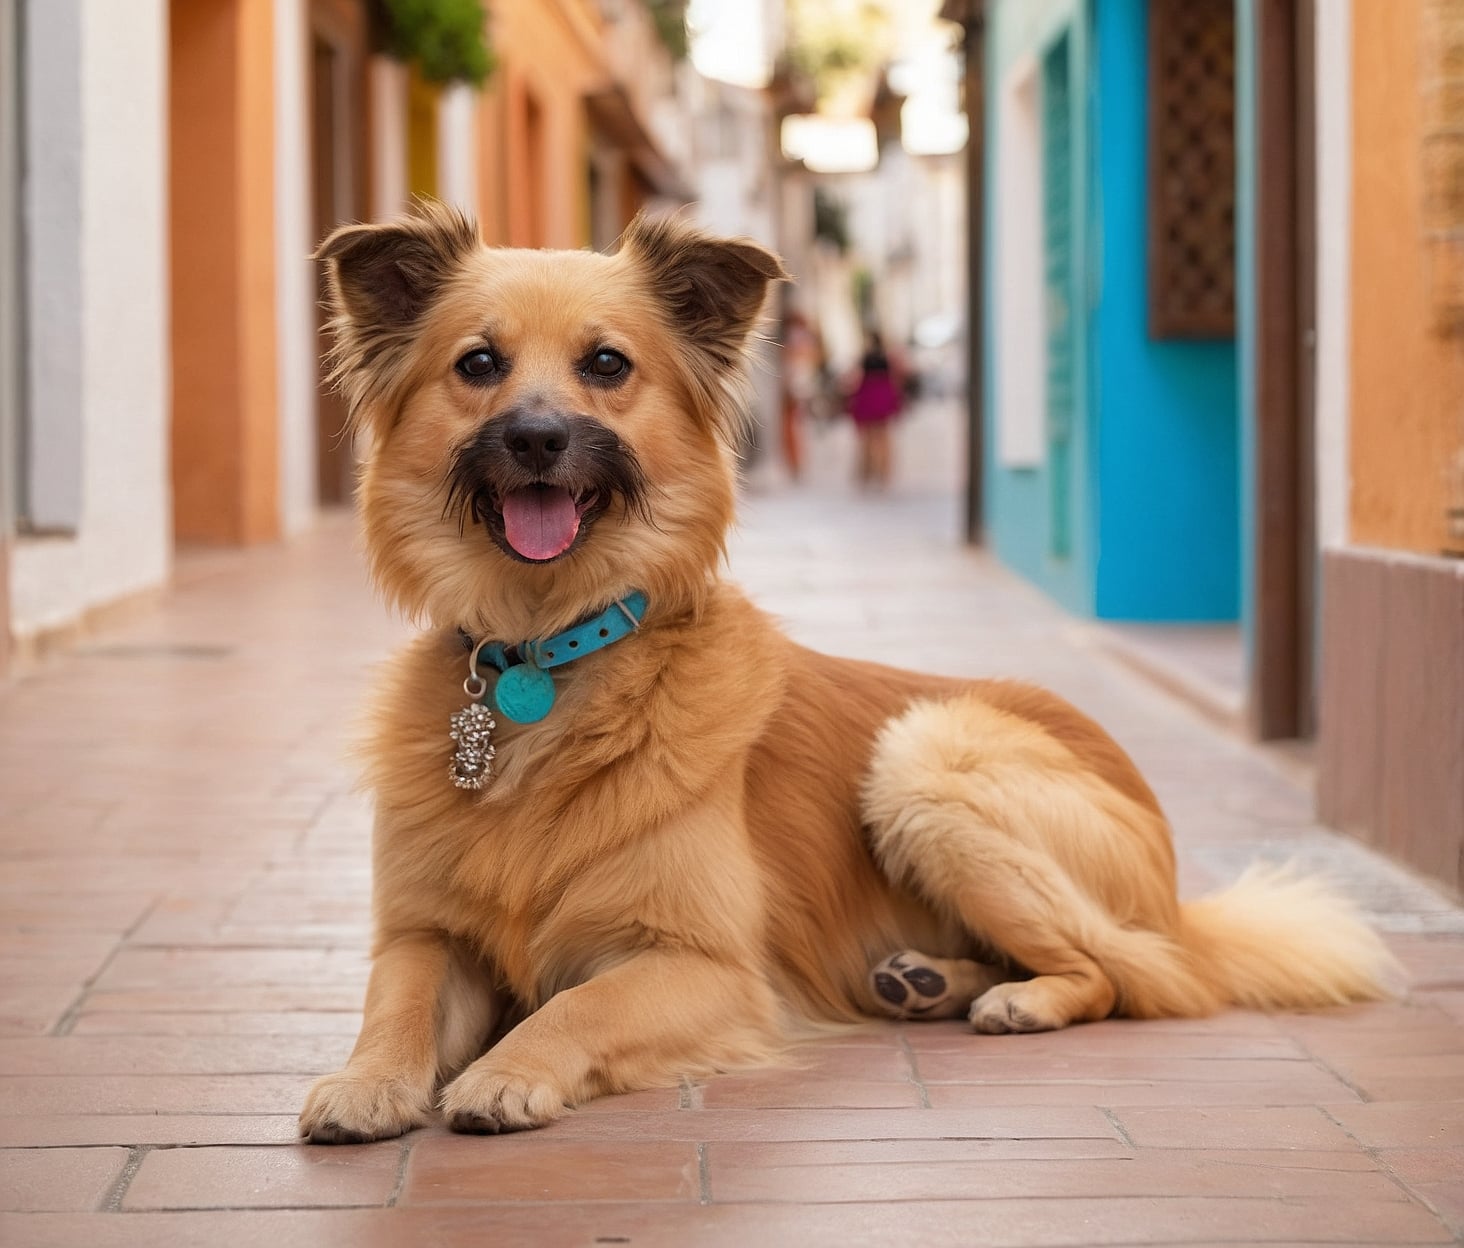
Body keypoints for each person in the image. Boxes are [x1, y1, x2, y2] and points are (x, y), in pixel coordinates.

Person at [845, 329, 904, 489]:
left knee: (868, 438)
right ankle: (882, 472)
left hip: (869, 397)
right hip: (882, 397)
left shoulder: (867, 358)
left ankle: (869, 471)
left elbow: (856, 377)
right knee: (882, 438)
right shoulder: (886, 358)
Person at [778, 309, 823, 481]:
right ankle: (796, 462)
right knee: (795, 426)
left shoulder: (797, 338)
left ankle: (795, 462)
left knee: (792, 426)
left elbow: (794, 360)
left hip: (795, 385)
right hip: (800, 385)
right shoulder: (807, 339)